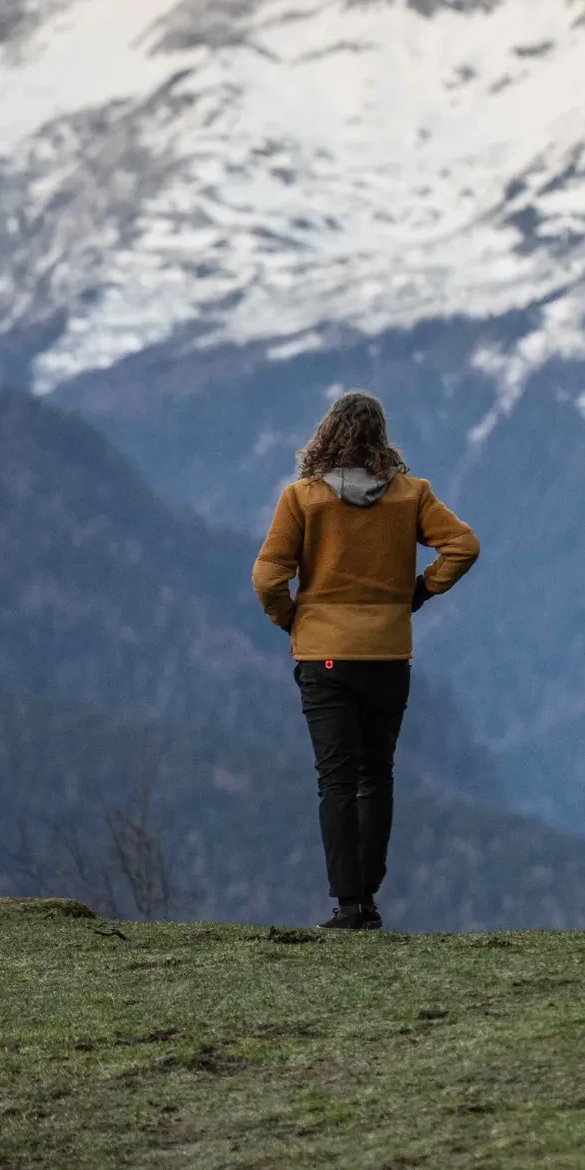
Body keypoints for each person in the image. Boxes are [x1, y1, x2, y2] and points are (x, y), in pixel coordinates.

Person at [252, 391, 479, 931]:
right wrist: (419, 591)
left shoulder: (302, 499)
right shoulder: (412, 495)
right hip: (386, 654)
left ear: (326, 434)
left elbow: (267, 577)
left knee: (335, 780)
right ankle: (370, 899)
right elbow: (462, 546)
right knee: (376, 775)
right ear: (381, 438)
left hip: (324, 656)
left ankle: (347, 904)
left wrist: (292, 619)